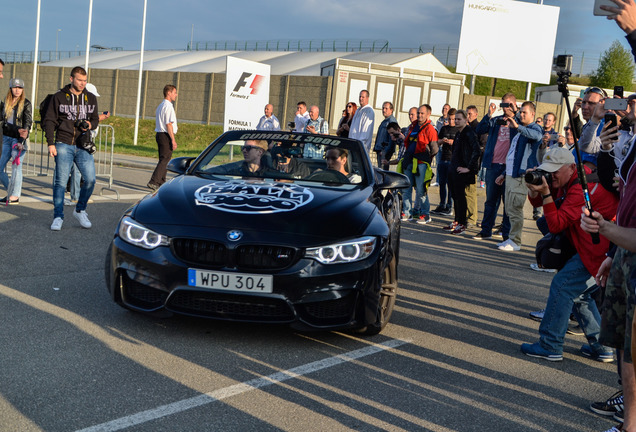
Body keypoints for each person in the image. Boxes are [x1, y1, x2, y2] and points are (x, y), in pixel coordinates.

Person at [520, 146, 618, 363]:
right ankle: (602, 347)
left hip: (599, 252)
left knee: (562, 286)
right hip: (588, 249)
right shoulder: (569, 180)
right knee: (579, 295)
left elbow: (555, 224)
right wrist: (535, 189)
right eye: (547, 170)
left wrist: (545, 192)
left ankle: (550, 345)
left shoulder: (583, 188)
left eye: (555, 170)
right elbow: (540, 203)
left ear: (572, 167)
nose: (550, 175)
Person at [43, 66, 99, 231]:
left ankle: (80, 209)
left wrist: (90, 124)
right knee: (60, 182)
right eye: (80, 80)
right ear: (71, 79)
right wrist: (50, 143)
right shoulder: (59, 97)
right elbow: (49, 120)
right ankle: (58, 216)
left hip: (83, 145)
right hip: (63, 142)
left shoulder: (91, 98)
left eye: (85, 80)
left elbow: (95, 119)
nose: (83, 83)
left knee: (90, 179)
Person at [496, 101, 543, 252]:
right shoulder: (519, 131)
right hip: (511, 174)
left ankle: (516, 241)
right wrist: (504, 174)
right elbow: (512, 155)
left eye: (525, 113)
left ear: (532, 114)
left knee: (516, 208)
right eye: (520, 112)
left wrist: (518, 127)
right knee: (509, 209)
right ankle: (510, 238)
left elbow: (536, 136)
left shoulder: (534, 128)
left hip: (521, 176)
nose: (521, 115)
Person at [472, 93, 518, 241]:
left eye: (508, 104)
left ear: (514, 105)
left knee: (507, 202)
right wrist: (489, 114)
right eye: (503, 104)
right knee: (491, 200)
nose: (505, 108)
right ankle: (486, 230)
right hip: (493, 165)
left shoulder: (517, 121)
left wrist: (515, 115)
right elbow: (479, 130)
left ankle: (506, 234)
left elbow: (523, 130)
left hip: (509, 167)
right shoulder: (496, 120)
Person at [67, 83, 110, 205]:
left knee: (79, 172)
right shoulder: (81, 106)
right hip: (80, 142)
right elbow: (86, 121)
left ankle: (77, 195)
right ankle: (76, 196)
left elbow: (92, 119)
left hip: (84, 141)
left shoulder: (87, 105)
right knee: (76, 171)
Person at [399, 104, 438, 224]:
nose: (420, 115)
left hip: (421, 163)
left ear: (428, 114)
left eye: (422, 113)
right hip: (409, 160)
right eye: (419, 113)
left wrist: (426, 158)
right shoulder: (413, 126)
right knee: (406, 188)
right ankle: (407, 212)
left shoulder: (430, 129)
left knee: (421, 190)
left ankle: (425, 214)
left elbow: (435, 148)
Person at [444, 110, 480, 235]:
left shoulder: (469, 133)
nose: (456, 121)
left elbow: (476, 151)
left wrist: (469, 168)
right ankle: (457, 220)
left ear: (466, 120)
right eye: (455, 119)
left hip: (462, 171)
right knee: (455, 196)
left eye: (459, 119)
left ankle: (462, 223)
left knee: (461, 197)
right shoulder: (459, 133)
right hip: (453, 169)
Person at [0, 78, 32, 204]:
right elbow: (3, 121)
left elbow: (27, 123)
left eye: (20, 88)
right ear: (10, 88)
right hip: (6, 138)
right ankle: (11, 192)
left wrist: (21, 141)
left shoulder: (26, 103)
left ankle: (15, 196)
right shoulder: (6, 102)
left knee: (16, 167)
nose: (17, 90)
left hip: (18, 140)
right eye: (15, 87)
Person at [148, 84, 178, 191]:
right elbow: (168, 124)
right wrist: (173, 140)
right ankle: (154, 181)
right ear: (168, 93)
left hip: (159, 134)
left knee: (164, 159)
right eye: (174, 92)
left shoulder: (161, 105)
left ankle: (161, 182)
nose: (176, 95)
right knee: (165, 160)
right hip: (165, 135)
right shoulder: (168, 106)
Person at [431, 108, 459, 216]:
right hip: (443, 158)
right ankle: (442, 204)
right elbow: (436, 141)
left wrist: (454, 142)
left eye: (453, 119)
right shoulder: (444, 129)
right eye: (449, 119)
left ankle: (449, 206)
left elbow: (461, 145)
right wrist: (442, 141)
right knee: (442, 183)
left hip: (453, 160)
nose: (451, 122)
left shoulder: (458, 130)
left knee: (450, 184)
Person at [373, 102, 397, 170]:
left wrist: (385, 151)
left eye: (386, 108)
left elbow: (392, 139)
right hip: (380, 150)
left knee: (383, 171)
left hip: (384, 152)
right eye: (383, 108)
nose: (384, 110)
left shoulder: (391, 121)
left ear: (391, 110)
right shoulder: (385, 121)